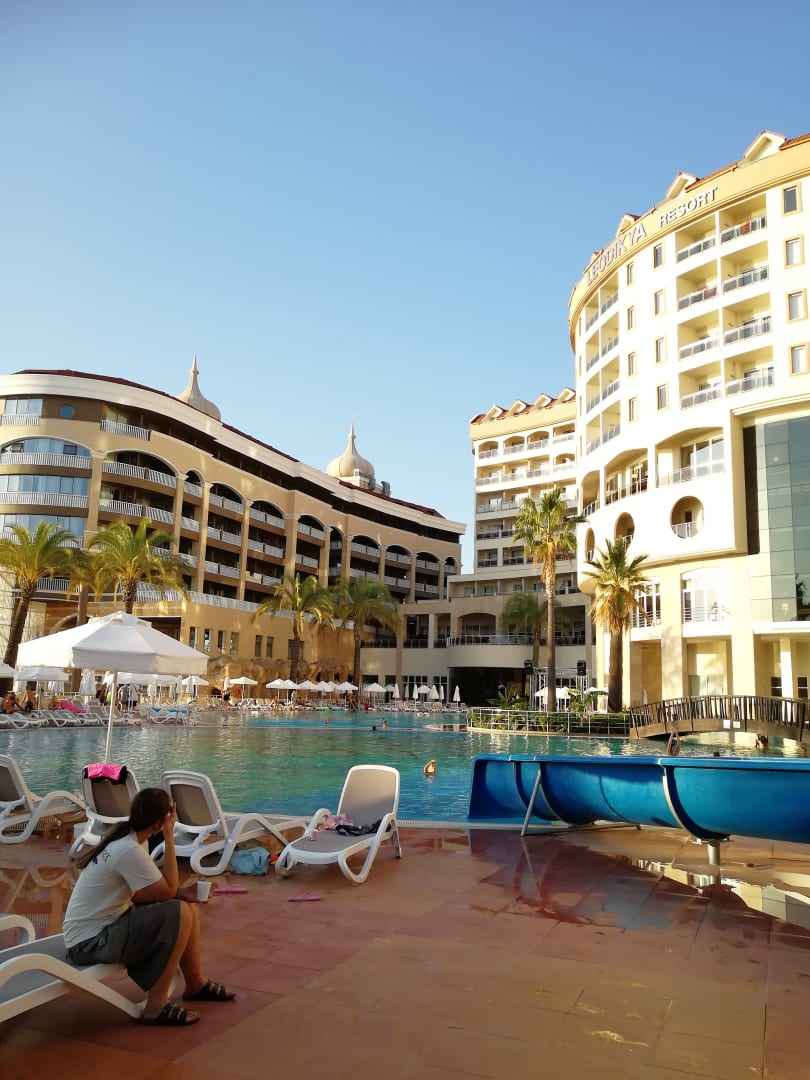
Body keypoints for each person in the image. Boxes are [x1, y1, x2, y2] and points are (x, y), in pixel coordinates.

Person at [63, 787, 236, 1027]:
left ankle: (196, 983)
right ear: (160, 822)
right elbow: (167, 890)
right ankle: (156, 1005)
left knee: (183, 907)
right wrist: (169, 838)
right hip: (88, 944)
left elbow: (141, 894)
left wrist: (180, 893)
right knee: (179, 912)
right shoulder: (129, 849)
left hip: (94, 933)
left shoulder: (129, 841)